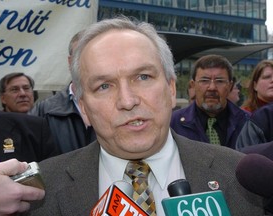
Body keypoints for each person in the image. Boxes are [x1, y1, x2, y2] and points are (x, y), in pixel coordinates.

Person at [24, 17, 264, 216]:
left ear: (171, 89)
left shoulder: (239, 177)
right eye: (104, 86)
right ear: (83, 106)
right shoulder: (36, 195)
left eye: (143, 77)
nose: (127, 101)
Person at [28, 31, 96, 153]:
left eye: (95, 55)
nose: (88, 62)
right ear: (70, 62)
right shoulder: (44, 111)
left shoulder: (123, 103)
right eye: (79, 55)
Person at [170, 54, 249, 149]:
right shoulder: (173, 123)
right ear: (193, 85)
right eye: (204, 80)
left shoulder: (248, 122)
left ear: (230, 86)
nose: (212, 88)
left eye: (219, 81)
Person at [0, 68, 60, 164]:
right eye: (14, 90)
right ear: (2, 98)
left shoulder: (39, 126)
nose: (22, 94)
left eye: (26, 88)